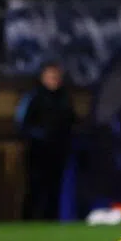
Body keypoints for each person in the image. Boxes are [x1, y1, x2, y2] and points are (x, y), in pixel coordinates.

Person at [16, 63, 77, 220]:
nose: (54, 80)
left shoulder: (64, 98)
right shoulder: (33, 97)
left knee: (54, 188)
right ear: (42, 77)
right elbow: (22, 124)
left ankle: (51, 220)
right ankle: (29, 220)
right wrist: (39, 136)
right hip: (38, 151)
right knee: (35, 187)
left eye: (57, 77)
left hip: (58, 151)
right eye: (51, 77)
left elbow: (71, 123)